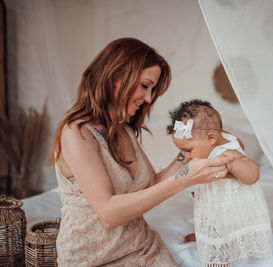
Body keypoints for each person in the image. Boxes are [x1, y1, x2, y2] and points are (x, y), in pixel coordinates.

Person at [48, 38, 231, 266]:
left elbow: (151, 185)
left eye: (152, 89)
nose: (149, 98)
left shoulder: (125, 130)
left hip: (144, 248)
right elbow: (109, 213)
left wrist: (189, 150)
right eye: (145, 86)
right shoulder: (76, 133)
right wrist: (184, 179)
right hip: (94, 258)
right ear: (116, 78)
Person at [167, 99, 273, 267]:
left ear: (211, 138)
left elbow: (252, 175)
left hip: (229, 203)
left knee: (224, 224)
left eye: (188, 150)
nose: (185, 156)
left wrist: (232, 163)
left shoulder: (228, 153)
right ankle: (204, 236)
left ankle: (221, 257)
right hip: (213, 199)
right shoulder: (208, 147)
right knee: (210, 220)